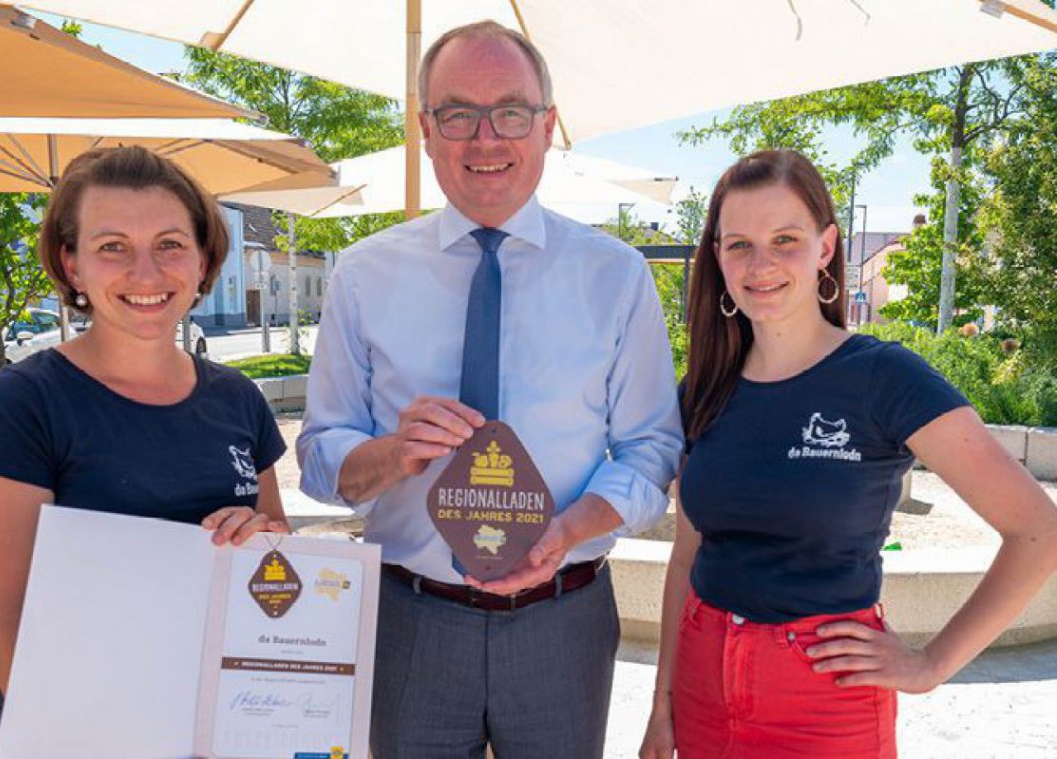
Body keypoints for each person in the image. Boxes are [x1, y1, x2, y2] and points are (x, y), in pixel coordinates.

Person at [297, 20, 683, 759]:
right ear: (425, 130)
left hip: (561, 619)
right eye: (457, 113)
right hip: (410, 621)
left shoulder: (616, 275)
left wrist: (569, 529)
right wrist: (389, 453)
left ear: (547, 125)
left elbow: (651, 450)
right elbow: (320, 457)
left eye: (509, 111)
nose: (485, 138)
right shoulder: (362, 274)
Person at [638, 150, 1057, 759]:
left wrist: (931, 664)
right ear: (718, 257)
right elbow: (687, 553)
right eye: (739, 245)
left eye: (785, 239)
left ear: (826, 247)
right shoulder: (703, 388)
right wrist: (662, 705)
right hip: (702, 687)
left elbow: (1038, 530)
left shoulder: (884, 378)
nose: (761, 265)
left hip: (823, 704)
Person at [0, 146, 291, 734]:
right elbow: (3, 632)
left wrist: (263, 542)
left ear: (204, 259)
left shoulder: (238, 399)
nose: (147, 273)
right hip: (82, 732)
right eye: (113, 247)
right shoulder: (24, 405)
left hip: (223, 724)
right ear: (73, 264)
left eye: (169, 244)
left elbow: (275, 575)